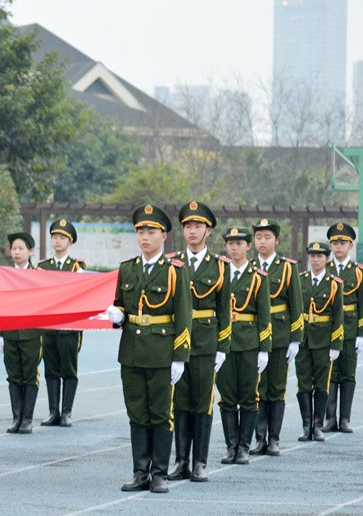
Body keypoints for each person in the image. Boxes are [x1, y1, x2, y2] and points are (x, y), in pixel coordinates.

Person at [105, 204, 191, 493]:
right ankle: (140, 471)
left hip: (161, 351)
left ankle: (160, 473)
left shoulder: (175, 271)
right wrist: (118, 316)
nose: (145, 237)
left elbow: (183, 316)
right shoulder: (127, 268)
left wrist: (179, 356)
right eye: (141, 231)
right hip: (131, 350)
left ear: (164, 236)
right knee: (137, 412)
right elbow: (121, 304)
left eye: (151, 232)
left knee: (159, 413)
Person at [167, 201, 230, 482]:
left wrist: (223, 346)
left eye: (198, 226)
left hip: (205, 342)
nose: (192, 231)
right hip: (177, 341)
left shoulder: (219, 266)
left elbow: (225, 309)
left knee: (202, 402)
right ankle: (180, 461)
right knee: (179, 402)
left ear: (208, 231)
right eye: (187, 226)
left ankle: (199, 462)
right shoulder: (172, 263)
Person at [215, 227, 271, 465]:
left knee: (248, 397)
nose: (234, 248)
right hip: (224, 343)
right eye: (230, 243)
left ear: (249, 246)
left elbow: (264, 315)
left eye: (239, 243)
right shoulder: (218, 274)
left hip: (248, 343)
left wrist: (265, 348)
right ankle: (231, 446)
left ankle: (244, 447)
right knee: (227, 397)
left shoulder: (258, 277)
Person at [249, 219, 303, 457]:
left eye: (267, 237)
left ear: (277, 241)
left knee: (276, 388)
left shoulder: (287, 268)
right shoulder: (249, 267)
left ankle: (274, 439)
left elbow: (296, 305)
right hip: (254, 335)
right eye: (258, 237)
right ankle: (260, 438)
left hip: (280, 334)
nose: (262, 241)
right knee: (258, 388)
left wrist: (295, 338)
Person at [37, 219, 86, 427]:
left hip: (69, 327)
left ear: (70, 241)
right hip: (48, 327)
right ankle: (53, 411)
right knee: (51, 369)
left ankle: (66, 412)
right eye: (55, 237)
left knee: (69, 369)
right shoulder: (42, 267)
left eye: (62, 238)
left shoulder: (77, 267)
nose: (58, 241)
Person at [0, 232, 44, 434]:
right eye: (13, 248)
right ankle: (16, 417)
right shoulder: (5, 274)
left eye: (21, 248)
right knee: (13, 376)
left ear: (30, 251)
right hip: (10, 333)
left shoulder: (38, 274)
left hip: (32, 334)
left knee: (29, 376)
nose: (16, 252)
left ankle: (27, 419)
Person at [295, 241, 344, 442]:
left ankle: (317, 425)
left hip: (324, 340)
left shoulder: (334, 284)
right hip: (304, 339)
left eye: (320, 256)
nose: (315, 259)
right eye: (312, 255)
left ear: (327, 259)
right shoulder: (300, 280)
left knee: (322, 384)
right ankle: (306, 425)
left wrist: (336, 344)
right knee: (303, 382)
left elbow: (338, 315)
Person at [323, 222, 363, 433]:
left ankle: (345, 419)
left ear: (350, 245)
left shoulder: (358, 272)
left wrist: (362, 334)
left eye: (342, 243)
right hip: (329, 329)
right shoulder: (325, 269)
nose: (338, 247)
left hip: (350, 329)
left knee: (348, 374)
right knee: (330, 374)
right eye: (334, 243)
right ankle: (330, 418)